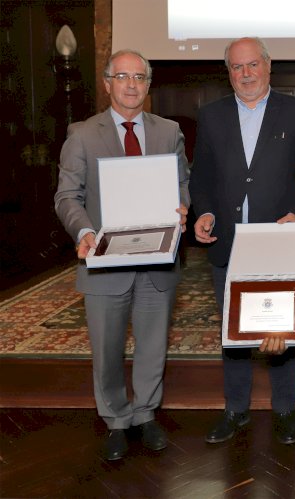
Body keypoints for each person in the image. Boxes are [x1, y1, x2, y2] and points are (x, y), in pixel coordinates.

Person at [188, 37, 295, 445]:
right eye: (236, 67)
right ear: (227, 72)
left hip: (276, 241)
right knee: (234, 333)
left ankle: (284, 411)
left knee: (278, 329)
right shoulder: (211, 115)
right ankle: (236, 410)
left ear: (268, 67)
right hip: (227, 242)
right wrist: (206, 212)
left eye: (252, 65)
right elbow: (201, 177)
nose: (245, 74)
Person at [54, 49, 190, 461]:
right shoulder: (82, 134)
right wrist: (86, 231)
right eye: (123, 77)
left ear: (149, 85)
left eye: (140, 77)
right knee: (107, 348)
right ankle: (115, 418)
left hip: (156, 262)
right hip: (103, 263)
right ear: (108, 83)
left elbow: (182, 184)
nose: (132, 85)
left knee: (152, 345)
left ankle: (146, 414)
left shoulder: (169, 131)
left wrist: (182, 208)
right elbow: (66, 196)